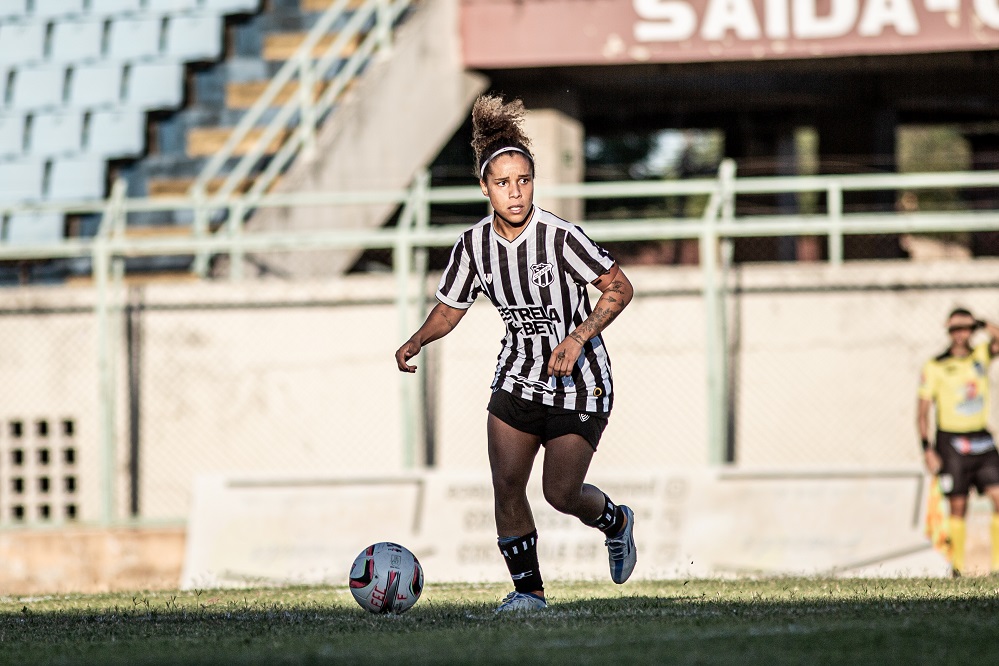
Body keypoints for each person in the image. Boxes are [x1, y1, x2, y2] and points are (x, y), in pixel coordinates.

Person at [394, 94, 637, 612]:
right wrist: (417, 339)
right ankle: (530, 594)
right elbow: (450, 307)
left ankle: (615, 522)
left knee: (560, 494)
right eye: (503, 183)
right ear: (485, 187)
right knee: (506, 485)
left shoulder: (560, 237)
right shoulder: (473, 246)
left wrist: (578, 336)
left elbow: (620, 288)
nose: (515, 192)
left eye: (523, 181)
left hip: (580, 383)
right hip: (517, 376)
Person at [918, 307, 999, 576]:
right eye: (955, 329)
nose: (960, 334)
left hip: (981, 440)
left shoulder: (980, 355)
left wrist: (981, 322)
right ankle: (958, 569)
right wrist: (927, 448)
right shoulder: (936, 365)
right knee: (958, 505)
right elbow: (922, 411)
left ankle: (997, 567)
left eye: (965, 328)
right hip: (951, 442)